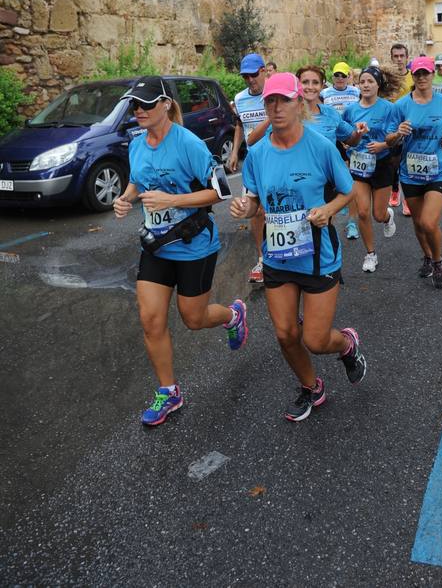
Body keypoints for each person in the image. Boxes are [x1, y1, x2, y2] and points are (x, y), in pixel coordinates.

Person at [230, 72, 366, 423]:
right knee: (286, 333)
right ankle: (311, 386)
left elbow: (347, 189)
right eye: (269, 101)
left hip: (318, 256)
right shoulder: (257, 154)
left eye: (283, 100)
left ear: (298, 103)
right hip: (278, 256)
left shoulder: (319, 145)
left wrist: (329, 210)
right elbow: (254, 199)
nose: (275, 107)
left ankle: (347, 344)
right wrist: (246, 207)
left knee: (317, 339)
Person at [113, 77, 248, 427]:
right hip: (157, 245)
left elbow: (220, 192)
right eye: (134, 105)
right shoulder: (137, 143)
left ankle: (233, 316)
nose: (138, 110)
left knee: (193, 318)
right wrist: (126, 199)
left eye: (145, 104)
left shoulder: (188, 143)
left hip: (193, 245)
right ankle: (169, 391)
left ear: (165, 105)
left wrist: (173, 200)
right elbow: (137, 182)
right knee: (150, 318)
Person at [385, 56, 442, 290]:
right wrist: (397, 133)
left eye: (426, 73)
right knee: (418, 222)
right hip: (410, 173)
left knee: (428, 222)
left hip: (438, 172)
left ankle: (438, 262)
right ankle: (427, 255)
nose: (422, 77)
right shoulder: (401, 106)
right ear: (412, 76)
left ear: (433, 74)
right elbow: (388, 139)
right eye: (417, 74)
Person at [342, 66, 398, 273]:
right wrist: (347, 143)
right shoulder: (350, 110)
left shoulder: (388, 108)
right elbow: (344, 134)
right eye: (362, 81)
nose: (366, 85)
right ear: (357, 85)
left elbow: (394, 136)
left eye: (370, 81)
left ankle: (387, 216)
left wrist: (382, 146)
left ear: (378, 85)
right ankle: (370, 254)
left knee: (377, 214)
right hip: (358, 166)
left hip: (382, 164)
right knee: (363, 213)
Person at [229, 53, 269, 284]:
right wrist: (235, 152)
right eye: (246, 76)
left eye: (254, 74)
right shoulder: (240, 98)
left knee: (273, 210)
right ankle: (262, 258)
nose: (250, 80)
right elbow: (239, 124)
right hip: (253, 164)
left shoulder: (275, 95)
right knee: (255, 212)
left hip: (277, 160)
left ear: (263, 71)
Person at [320, 61, 361, 239]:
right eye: (337, 75)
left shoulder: (356, 92)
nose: (339, 78)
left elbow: (360, 112)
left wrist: (353, 135)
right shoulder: (324, 93)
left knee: (350, 180)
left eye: (343, 75)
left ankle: (352, 222)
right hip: (333, 139)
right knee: (333, 180)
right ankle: (330, 220)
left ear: (349, 77)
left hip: (351, 136)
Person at [296, 65, 363, 154]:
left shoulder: (331, 113)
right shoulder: (288, 115)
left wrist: (359, 132)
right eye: (305, 82)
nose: (310, 87)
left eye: (315, 82)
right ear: (297, 85)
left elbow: (352, 141)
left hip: (326, 167)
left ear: (322, 86)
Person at [389, 43, 414, 216]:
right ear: (391, 58)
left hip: (411, 125)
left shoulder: (414, 77)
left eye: (401, 56)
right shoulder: (386, 78)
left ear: (407, 57)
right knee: (394, 163)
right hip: (392, 126)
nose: (399, 59)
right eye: (395, 56)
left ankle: (407, 199)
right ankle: (395, 190)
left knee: (409, 162)